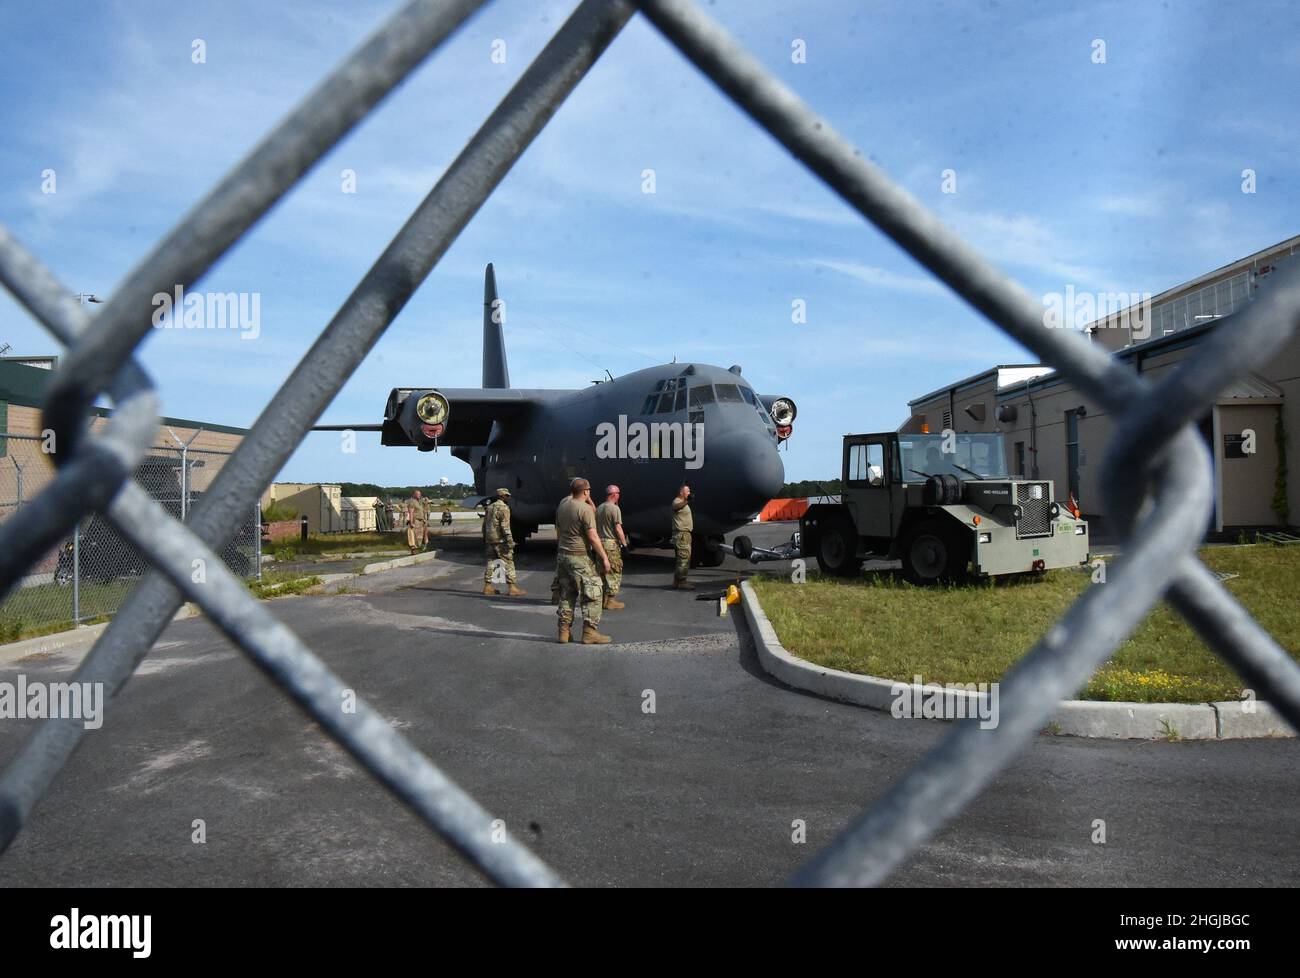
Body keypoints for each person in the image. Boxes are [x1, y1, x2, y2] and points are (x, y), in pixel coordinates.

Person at [555, 478, 612, 645]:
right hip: (580, 556)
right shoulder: (584, 509)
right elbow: (593, 537)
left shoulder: (563, 505)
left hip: (563, 555)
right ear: (586, 491)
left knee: (567, 593)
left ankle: (564, 632)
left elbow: (558, 529)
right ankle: (589, 633)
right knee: (593, 593)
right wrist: (604, 557)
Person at [483, 488, 525, 596]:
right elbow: (505, 526)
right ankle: (512, 588)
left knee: (490, 562)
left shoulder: (489, 507)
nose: (509, 497)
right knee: (508, 562)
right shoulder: (504, 508)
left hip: (490, 539)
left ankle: (487, 587)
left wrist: (486, 538)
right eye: (507, 496)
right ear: (502, 496)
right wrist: (510, 541)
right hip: (500, 540)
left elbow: (485, 524)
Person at [596, 485, 627, 610]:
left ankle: (603, 599)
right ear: (614, 494)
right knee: (614, 571)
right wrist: (624, 544)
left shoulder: (599, 508)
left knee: (602, 572)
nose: (619, 495)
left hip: (600, 543)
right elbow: (618, 528)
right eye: (618, 493)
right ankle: (611, 600)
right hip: (611, 544)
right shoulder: (614, 509)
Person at [671, 484, 693, 589]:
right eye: (687, 491)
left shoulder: (683, 503)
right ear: (681, 492)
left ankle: (676, 581)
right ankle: (682, 582)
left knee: (680, 559)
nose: (689, 493)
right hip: (681, 535)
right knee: (684, 558)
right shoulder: (677, 501)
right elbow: (676, 507)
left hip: (684, 534)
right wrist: (687, 501)